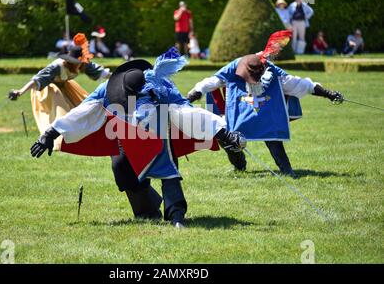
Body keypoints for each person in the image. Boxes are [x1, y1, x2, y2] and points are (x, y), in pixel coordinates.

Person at [29, 48, 246, 228]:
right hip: (124, 134)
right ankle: (148, 211)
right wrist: (51, 132)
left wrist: (221, 131)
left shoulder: (162, 86)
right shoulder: (107, 88)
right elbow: (83, 111)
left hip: (160, 133)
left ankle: (176, 216)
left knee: (168, 171)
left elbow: (188, 112)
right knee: (123, 169)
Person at [186, 31, 344, 178]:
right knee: (225, 134)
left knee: (272, 133)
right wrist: (189, 98)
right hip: (238, 112)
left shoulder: (272, 71)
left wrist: (328, 93)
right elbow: (210, 82)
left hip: (266, 112)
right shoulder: (233, 67)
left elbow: (301, 84)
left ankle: (286, 169)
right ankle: (239, 166)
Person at [8, 33, 111, 150]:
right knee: (61, 110)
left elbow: (101, 72)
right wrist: (20, 91)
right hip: (50, 90)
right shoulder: (57, 66)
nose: (80, 64)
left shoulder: (83, 64)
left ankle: (86, 134)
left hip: (66, 87)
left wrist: (116, 77)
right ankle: (55, 137)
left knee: (83, 106)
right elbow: (37, 79)